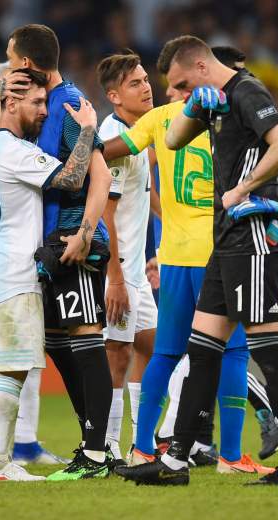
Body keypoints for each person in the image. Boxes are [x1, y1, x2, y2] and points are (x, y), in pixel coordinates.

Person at [116, 35, 278, 486]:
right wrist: (193, 107)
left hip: (254, 238)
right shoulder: (210, 101)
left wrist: (244, 189)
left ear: (203, 68)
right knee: (203, 352)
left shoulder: (248, 92)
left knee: (268, 350)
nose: (176, 94)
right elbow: (171, 138)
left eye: (183, 85)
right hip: (224, 241)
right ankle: (175, 461)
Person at [0, 66, 98, 481]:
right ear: (9, 103)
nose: (46, 112)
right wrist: (87, 129)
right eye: (36, 103)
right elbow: (72, 176)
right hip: (14, 276)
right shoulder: (16, 152)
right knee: (13, 372)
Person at [0, 24, 114, 480]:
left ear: (24, 63)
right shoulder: (42, 108)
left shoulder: (68, 104)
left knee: (85, 339)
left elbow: (98, 175)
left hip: (72, 241)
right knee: (60, 345)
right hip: (50, 247)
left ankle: (97, 454)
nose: (6, 64)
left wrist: (83, 231)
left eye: (9, 57)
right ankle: (93, 441)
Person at [95, 51, 157, 462]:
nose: (147, 86)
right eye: (135, 84)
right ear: (115, 96)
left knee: (154, 349)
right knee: (117, 356)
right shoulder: (113, 140)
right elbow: (106, 212)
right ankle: (109, 446)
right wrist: (114, 278)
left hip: (135, 267)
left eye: (146, 78)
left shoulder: (139, 132)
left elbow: (144, 204)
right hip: (119, 272)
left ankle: (145, 441)